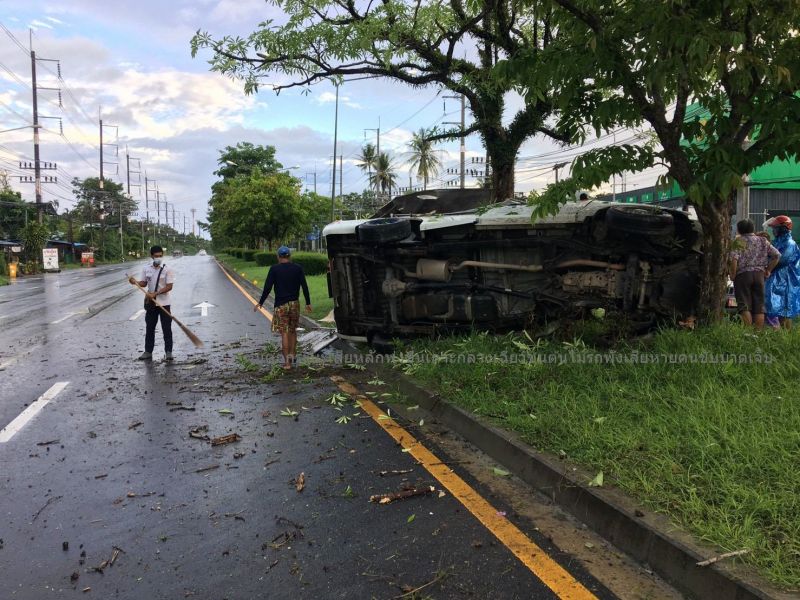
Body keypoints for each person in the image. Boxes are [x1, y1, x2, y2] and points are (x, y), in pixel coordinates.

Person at [254, 246, 312, 369]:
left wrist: (261, 302)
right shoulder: (298, 268)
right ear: (289, 256)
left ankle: (287, 363)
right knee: (292, 330)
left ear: (278, 257)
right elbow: (305, 286)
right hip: (294, 304)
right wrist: (308, 303)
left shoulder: (274, 269)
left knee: (284, 333)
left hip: (281, 305)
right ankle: (293, 354)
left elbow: (267, 287)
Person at [729, 219, 780, 330]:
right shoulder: (763, 240)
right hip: (759, 275)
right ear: (752, 228)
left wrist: (732, 274)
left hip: (743, 275)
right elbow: (776, 256)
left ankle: (748, 332)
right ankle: (758, 333)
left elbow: (734, 259)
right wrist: (768, 270)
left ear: (739, 229)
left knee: (744, 305)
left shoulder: (739, 241)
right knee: (759, 306)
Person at [129, 245, 175, 361]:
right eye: (156, 256)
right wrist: (135, 282)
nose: (158, 258)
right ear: (151, 256)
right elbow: (144, 283)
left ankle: (168, 352)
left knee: (166, 328)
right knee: (150, 327)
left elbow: (169, 286)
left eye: (160, 256)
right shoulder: (146, 269)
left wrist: (156, 293)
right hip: (151, 303)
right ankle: (148, 352)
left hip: (164, 303)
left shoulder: (167, 269)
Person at [764, 215, 800, 329]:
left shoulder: (790, 244)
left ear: (783, 228)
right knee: (777, 310)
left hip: (787, 283)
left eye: (775, 228)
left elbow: (781, 260)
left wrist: (766, 265)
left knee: (785, 311)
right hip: (778, 281)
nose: (773, 230)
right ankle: (780, 337)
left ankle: (786, 338)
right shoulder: (777, 242)